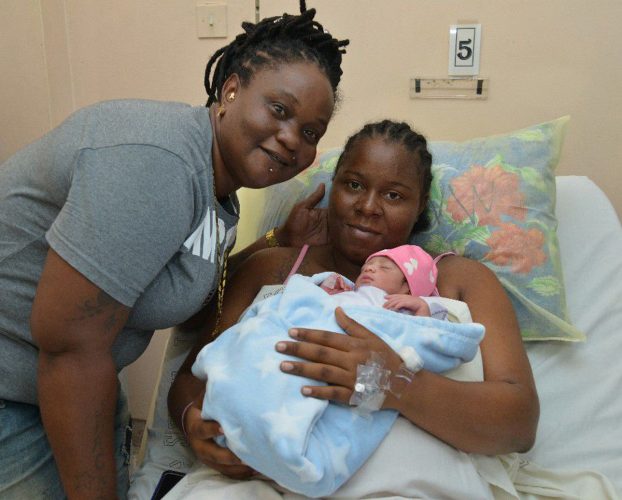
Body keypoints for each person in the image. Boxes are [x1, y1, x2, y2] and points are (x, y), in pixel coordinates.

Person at [0, 1, 349, 498]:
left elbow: (188, 297)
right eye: (279, 109)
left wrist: (278, 242)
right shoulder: (158, 163)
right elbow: (69, 349)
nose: (292, 138)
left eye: (311, 132)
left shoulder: (218, 191)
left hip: (71, 392)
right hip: (18, 396)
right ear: (231, 89)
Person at [168, 119, 539, 491]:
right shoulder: (274, 267)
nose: (367, 207)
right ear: (333, 187)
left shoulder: (462, 280)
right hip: (258, 475)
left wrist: (395, 385)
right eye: (354, 185)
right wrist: (193, 424)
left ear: (420, 204)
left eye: (393, 195)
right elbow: (189, 377)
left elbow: (519, 423)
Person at [187, 243, 485, 496]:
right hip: (291, 347)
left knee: (330, 405)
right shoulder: (339, 288)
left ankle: (285, 450)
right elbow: (300, 304)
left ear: (408, 285)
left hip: (352, 375)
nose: (371, 270)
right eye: (370, 265)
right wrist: (327, 289)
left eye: (384, 268)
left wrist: (423, 307)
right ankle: (247, 425)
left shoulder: (400, 309)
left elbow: (436, 335)